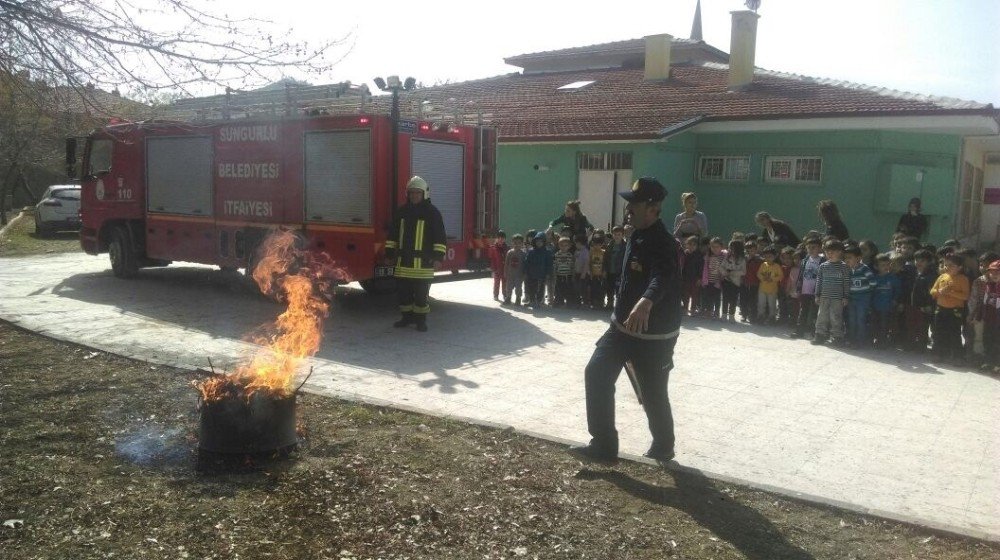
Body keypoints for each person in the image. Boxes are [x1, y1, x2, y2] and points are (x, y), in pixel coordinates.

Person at [570, 177, 682, 465]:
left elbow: (663, 275)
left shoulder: (664, 243)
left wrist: (646, 300)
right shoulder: (635, 235)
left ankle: (663, 445)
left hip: (653, 335)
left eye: (635, 203)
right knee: (596, 372)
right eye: (629, 203)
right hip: (620, 328)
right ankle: (604, 446)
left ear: (653, 208)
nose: (628, 208)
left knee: (652, 391)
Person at [385, 176, 447, 333]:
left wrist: (438, 257)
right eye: (411, 193)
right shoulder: (402, 212)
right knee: (403, 294)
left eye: (417, 193)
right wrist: (389, 253)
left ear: (424, 194)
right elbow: (393, 235)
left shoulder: (432, 213)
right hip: (403, 263)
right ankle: (406, 318)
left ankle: (421, 321)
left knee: (421, 296)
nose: (414, 196)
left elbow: (440, 237)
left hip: (423, 264)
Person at [930, 254, 970, 364]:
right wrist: (939, 292)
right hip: (940, 308)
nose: (947, 267)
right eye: (945, 265)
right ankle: (937, 354)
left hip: (955, 310)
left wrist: (951, 292)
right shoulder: (941, 277)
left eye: (951, 265)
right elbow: (932, 291)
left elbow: (965, 296)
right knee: (938, 332)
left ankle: (958, 357)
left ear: (959, 267)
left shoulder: (963, 279)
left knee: (955, 333)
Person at [813, 239, 850, 345]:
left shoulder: (844, 267)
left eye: (832, 252)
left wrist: (845, 296)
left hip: (837, 298)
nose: (829, 254)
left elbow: (846, 282)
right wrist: (817, 295)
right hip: (824, 296)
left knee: (836, 317)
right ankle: (820, 335)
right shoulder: (823, 266)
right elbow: (819, 281)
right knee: (822, 316)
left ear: (839, 252)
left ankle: (837, 336)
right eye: (827, 252)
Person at [791, 237, 825, 339]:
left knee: (815, 313)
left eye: (814, 247)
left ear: (820, 248)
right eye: (808, 247)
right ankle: (799, 331)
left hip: (816, 292)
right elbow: (801, 276)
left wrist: (820, 292)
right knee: (803, 311)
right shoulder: (805, 260)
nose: (811, 250)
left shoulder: (823, 261)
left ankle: (814, 333)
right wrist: (798, 289)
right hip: (805, 291)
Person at [907, 249, 938, 351]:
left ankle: (921, 346)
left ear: (929, 262)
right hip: (913, 305)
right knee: (912, 325)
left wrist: (929, 304)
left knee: (923, 327)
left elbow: (931, 292)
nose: (919, 263)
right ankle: (911, 344)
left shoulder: (931, 276)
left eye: (922, 261)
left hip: (924, 306)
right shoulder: (913, 272)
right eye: (917, 260)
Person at [871, 253, 901, 349]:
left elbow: (898, 290)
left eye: (887, 264)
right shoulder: (874, 278)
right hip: (875, 306)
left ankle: (882, 341)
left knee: (885, 325)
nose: (886, 267)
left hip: (887, 307)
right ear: (876, 266)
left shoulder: (893, 278)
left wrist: (895, 300)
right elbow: (871, 291)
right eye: (882, 265)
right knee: (875, 323)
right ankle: (875, 339)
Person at [977, 261, 1000, 373]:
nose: (994, 274)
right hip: (989, 319)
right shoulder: (988, 285)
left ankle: (997, 364)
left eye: (997, 272)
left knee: (997, 342)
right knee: (987, 340)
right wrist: (979, 315)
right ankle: (988, 361)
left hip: (998, 321)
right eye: (992, 272)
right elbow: (984, 302)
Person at [719, 239, 746, 322]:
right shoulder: (727, 258)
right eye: (730, 248)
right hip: (726, 281)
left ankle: (731, 315)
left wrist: (732, 272)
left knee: (733, 300)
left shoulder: (742, 260)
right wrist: (725, 272)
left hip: (735, 283)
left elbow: (743, 272)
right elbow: (721, 267)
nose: (730, 250)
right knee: (725, 299)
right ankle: (723, 315)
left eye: (732, 248)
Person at [523, 232, 552, 308]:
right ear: (534, 242)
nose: (538, 243)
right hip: (531, 274)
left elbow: (549, 264)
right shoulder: (531, 251)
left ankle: (539, 301)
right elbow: (527, 262)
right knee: (531, 288)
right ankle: (532, 301)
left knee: (540, 289)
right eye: (537, 241)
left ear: (544, 242)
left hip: (541, 274)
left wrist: (548, 273)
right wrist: (526, 272)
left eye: (541, 241)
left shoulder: (547, 252)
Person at [756, 245, 783, 324]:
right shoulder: (763, 265)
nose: (768, 258)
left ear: (775, 256)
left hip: (772, 290)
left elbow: (781, 276)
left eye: (770, 256)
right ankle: (760, 317)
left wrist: (772, 279)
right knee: (761, 304)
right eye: (766, 256)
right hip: (762, 289)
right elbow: (758, 274)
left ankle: (772, 318)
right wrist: (763, 278)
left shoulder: (777, 266)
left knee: (772, 305)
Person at [701, 237, 726, 319]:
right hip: (709, 281)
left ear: (721, 247)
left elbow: (725, 268)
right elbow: (705, 269)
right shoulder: (708, 257)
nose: (715, 249)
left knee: (717, 298)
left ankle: (717, 312)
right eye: (712, 247)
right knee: (708, 296)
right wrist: (705, 280)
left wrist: (720, 280)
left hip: (718, 281)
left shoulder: (724, 256)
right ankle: (709, 311)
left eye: (717, 247)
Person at [604, 226, 626, 310]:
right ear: (613, 235)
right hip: (610, 270)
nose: (617, 236)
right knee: (609, 288)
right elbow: (606, 259)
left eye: (619, 234)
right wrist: (605, 270)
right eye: (615, 234)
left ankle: (619, 305)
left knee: (619, 290)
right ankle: (609, 303)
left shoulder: (625, 246)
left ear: (622, 235)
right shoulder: (609, 245)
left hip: (619, 271)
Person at [680, 235, 703, 316]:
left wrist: (700, 278)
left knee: (695, 295)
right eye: (689, 244)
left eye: (694, 245)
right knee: (685, 294)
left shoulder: (699, 255)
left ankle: (693, 309)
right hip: (685, 278)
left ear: (697, 246)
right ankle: (685, 308)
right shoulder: (684, 254)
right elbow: (682, 266)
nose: (691, 246)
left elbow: (701, 268)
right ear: (686, 244)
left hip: (695, 279)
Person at [552, 236, 576, 308]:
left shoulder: (570, 255)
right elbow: (555, 265)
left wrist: (573, 274)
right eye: (562, 245)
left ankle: (569, 302)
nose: (564, 247)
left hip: (567, 275)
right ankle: (559, 301)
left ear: (569, 246)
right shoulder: (557, 255)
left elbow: (572, 265)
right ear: (559, 246)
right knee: (559, 289)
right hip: (559, 275)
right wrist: (554, 273)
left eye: (566, 245)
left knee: (568, 289)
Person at [503, 234, 526, 306]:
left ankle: (518, 298)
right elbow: (506, 263)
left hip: (519, 275)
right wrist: (505, 272)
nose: (517, 245)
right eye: (515, 243)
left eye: (519, 243)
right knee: (508, 287)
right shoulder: (510, 252)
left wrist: (524, 274)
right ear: (512, 243)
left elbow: (525, 265)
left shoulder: (523, 254)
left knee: (518, 288)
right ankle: (508, 298)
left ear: (522, 244)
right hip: (510, 274)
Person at [742, 241, 762, 323]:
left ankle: (752, 316)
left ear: (756, 250)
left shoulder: (759, 260)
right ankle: (744, 315)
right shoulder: (744, 259)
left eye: (753, 250)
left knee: (753, 301)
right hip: (745, 283)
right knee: (744, 300)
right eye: (749, 251)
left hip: (755, 283)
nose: (751, 252)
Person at [588, 232, 608, 309]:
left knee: (601, 289)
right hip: (593, 274)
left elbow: (605, 263)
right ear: (593, 243)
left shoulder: (604, 252)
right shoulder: (591, 252)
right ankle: (594, 302)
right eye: (595, 244)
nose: (597, 246)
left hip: (601, 274)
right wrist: (590, 271)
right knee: (594, 288)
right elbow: (589, 262)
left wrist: (604, 272)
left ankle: (601, 302)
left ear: (602, 244)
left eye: (599, 245)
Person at [488, 231, 509, 301]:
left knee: (505, 283)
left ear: (505, 239)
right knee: (496, 283)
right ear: (496, 238)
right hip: (497, 269)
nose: (500, 239)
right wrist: (493, 269)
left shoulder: (507, 248)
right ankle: (495, 295)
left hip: (505, 269)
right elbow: (492, 260)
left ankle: (505, 295)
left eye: (502, 238)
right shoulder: (493, 248)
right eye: (499, 238)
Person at [574, 234, 590, 307]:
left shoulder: (585, 251)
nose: (576, 245)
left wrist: (583, 274)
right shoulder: (577, 251)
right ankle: (578, 302)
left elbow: (586, 263)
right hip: (577, 273)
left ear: (580, 243)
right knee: (577, 288)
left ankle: (585, 302)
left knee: (583, 288)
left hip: (583, 274)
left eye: (576, 243)